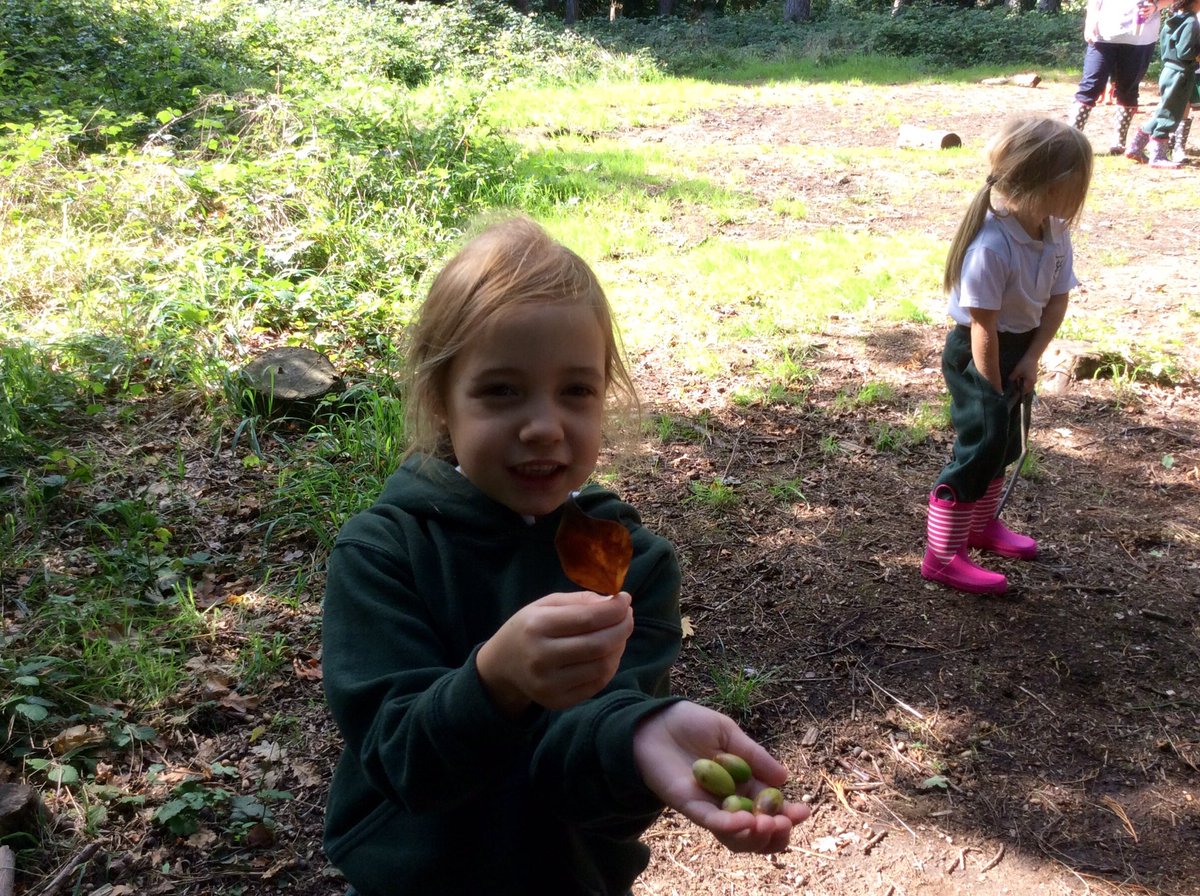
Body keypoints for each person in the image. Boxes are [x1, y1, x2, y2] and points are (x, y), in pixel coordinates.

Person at [321, 216, 810, 896]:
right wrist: (496, 680)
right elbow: (402, 763)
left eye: (575, 390)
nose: (544, 425)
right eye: (501, 390)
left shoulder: (629, 564)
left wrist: (642, 735)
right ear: (441, 403)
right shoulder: (384, 553)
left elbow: (581, 779)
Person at [921, 118, 1094, 596]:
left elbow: (1056, 301)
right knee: (979, 447)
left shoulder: (1054, 234)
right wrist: (992, 383)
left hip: (1017, 348)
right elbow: (982, 327)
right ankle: (941, 555)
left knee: (1007, 443)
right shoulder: (991, 247)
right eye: (1075, 186)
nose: (1078, 200)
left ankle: (980, 527)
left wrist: (1032, 359)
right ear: (1043, 184)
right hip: (979, 355)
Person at [1068, 0, 1168, 154]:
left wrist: (1156, 6)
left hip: (1141, 39)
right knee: (1090, 85)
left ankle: (1119, 141)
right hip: (1103, 34)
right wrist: (1090, 21)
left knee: (1129, 89)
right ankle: (1070, 138)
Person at [1125, 0, 1200, 167]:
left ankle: (1135, 147)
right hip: (1181, 73)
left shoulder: (1174, 18)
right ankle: (1158, 156)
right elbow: (1185, 51)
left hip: (1168, 70)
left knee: (1163, 110)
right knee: (1170, 115)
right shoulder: (1191, 22)